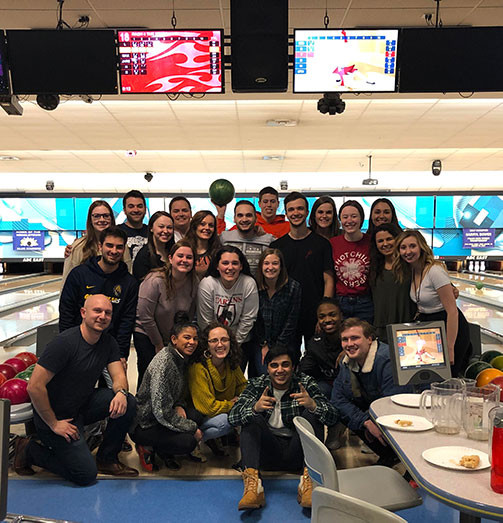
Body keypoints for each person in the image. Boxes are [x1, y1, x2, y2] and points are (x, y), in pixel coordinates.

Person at [14, 294, 138, 485]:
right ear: (83, 312)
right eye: (97, 311)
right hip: (56, 416)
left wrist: (121, 393)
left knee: (128, 401)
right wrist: (54, 423)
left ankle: (107, 458)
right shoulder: (64, 343)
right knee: (85, 475)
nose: (102, 316)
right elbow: (34, 387)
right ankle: (29, 450)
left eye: (107, 313)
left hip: (82, 405)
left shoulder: (108, 342)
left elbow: (119, 376)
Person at [229, 345, 338, 511]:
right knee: (251, 418)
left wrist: (313, 405)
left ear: (293, 367)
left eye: (285, 365)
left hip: (299, 455)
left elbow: (333, 417)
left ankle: (309, 483)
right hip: (267, 455)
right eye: (274, 365)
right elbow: (232, 417)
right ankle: (253, 487)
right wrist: (254, 408)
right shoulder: (257, 384)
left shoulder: (306, 382)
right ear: (267, 368)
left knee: (312, 414)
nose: (280, 370)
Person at [331, 318, 411, 466]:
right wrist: (365, 421)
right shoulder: (346, 361)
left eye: (355, 338)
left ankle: (402, 458)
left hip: (402, 413)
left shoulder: (387, 360)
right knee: (343, 412)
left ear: (369, 339)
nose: (349, 344)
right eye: (345, 340)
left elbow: (393, 403)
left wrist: (373, 421)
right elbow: (337, 399)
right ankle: (389, 456)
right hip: (371, 410)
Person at [393, 230, 472, 377]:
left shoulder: (434, 271)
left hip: (449, 326)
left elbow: (452, 312)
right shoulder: (411, 270)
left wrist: (450, 347)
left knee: (448, 377)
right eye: (403, 247)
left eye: (412, 246)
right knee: (433, 377)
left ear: (421, 247)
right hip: (431, 327)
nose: (407, 251)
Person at [131, 314, 203, 472]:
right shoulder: (164, 364)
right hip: (146, 423)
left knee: (196, 415)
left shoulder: (180, 358)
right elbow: (160, 412)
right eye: (187, 337)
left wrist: (178, 405)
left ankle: (164, 450)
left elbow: (176, 392)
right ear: (174, 339)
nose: (192, 342)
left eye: (195, 338)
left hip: (162, 414)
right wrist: (191, 428)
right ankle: (147, 446)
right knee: (188, 441)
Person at [59, 227, 139, 366]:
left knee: (114, 387)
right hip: (78, 345)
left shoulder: (129, 282)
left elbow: (126, 321)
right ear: (100, 246)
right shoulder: (79, 274)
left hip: (111, 349)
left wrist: (121, 354)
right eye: (109, 245)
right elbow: (67, 312)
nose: (114, 251)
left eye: (119, 247)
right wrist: (67, 346)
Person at [270, 191, 334, 351]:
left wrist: (324, 315)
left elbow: (329, 280)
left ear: (307, 212)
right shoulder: (277, 246)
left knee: (317, 361)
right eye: (291, 210)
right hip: (287, 315)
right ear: (286, 213)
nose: (296, 213)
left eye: (300, 209)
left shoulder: (322, 244)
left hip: (314, 314)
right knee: (288, 361)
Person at [134, 239, 198, 387]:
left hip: (173, 338)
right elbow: (145, 316)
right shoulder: (155, 280)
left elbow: (189, 316)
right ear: (170, 258)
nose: (184, 260)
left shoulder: (194, 282)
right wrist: (158, 344)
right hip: (147, 334)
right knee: (149, 380)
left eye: (189, 257)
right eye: (180, 256)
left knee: (171, 380)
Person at [188, 323, 247, 455]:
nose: (220, 345)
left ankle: (219, 438)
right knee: (226, 422)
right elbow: (207, 407)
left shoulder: (230, 362)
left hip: (220, 410)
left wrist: (242, 400)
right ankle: (194, 440)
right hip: (197, 416)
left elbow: (243, 387)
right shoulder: (199, 368)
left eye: (224, 340)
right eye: (214, 340)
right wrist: (233, 405)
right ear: (206, 345)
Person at [253, 248, 301, 375]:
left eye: (275, 263)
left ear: (281, 266)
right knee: (264, 374)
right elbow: (255, 320)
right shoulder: (254, 286)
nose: (270, 267)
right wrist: (264, 345)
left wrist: (277, 348)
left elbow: (291, 321)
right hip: (262, 343)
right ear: (261, 266)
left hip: (286, 342)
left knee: (283, 374)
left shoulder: (293, 287)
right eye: (266, 263)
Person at [197, 245, 259, 346]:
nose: (230, 268)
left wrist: (233, 346)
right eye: (225, 263)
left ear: (241, 266)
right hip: (211, 342)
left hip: (241, 342)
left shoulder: (248, 283)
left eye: (235, 263)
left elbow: (248, 320)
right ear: (217, 266)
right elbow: (205, 322)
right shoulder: (207, 284)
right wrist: (217, 345)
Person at [62, 200, 132, 284]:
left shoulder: (121, 246)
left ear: (112, 219)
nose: (102, 219)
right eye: (96, 216)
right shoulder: (77, 247)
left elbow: (128, 276)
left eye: (106, 216)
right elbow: (67, 281)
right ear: (90, 220)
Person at [369, 223, 415, 343]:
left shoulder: (409, 265)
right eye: (380, 241)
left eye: (389, 239)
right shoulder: (374, 268)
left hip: (407, 327)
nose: (385, 244)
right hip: (381, 329)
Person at [330, 200, 373, 323]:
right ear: (340, 220)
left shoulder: (371, 242)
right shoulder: (333, 243)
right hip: (340, 301)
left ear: (361, 219)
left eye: (354, 216)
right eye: (345, 217)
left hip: (365, 302)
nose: (349, 221)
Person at [299, 298, 343, 398]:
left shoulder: (352, 339)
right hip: (328, 386)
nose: (327, 320)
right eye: (322, 317)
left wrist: (348, 352)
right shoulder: (315, 343)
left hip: (351, 388)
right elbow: (304, 370)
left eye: (332, 315)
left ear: (341, 315)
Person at [220, 200, 275, 275]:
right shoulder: (224, 237)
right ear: (234, 218)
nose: (244, 219)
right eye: (240, 215)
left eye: (248, 215)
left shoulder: (268, 240)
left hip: (258, 286)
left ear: (256, 218)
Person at [216, 186, 290, 238]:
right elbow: (222, 239)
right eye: (265, 201)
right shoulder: (248, 225)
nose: (269, 205)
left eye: (272, 201)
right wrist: (220, 216)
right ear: (259, 204)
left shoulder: (288, 227)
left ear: (278, 204)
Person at [133, 211, 175, 281]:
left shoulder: (175, 252)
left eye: (169, 227)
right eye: (161, 227)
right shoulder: (144, 256)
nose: (165, 231)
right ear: (151, 228)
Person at [185, 210, 222, 279]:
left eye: (211, 225)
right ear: (195, 226)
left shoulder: (218, 251)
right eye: (202, 224)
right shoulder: (184, 248)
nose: (207, 228)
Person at [118, 190, 149, 261]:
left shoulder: (152, 232)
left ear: (145, 209)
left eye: (140, 206)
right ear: (124, 210)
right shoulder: (116, 232)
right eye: (131, 206)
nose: (136, 210)